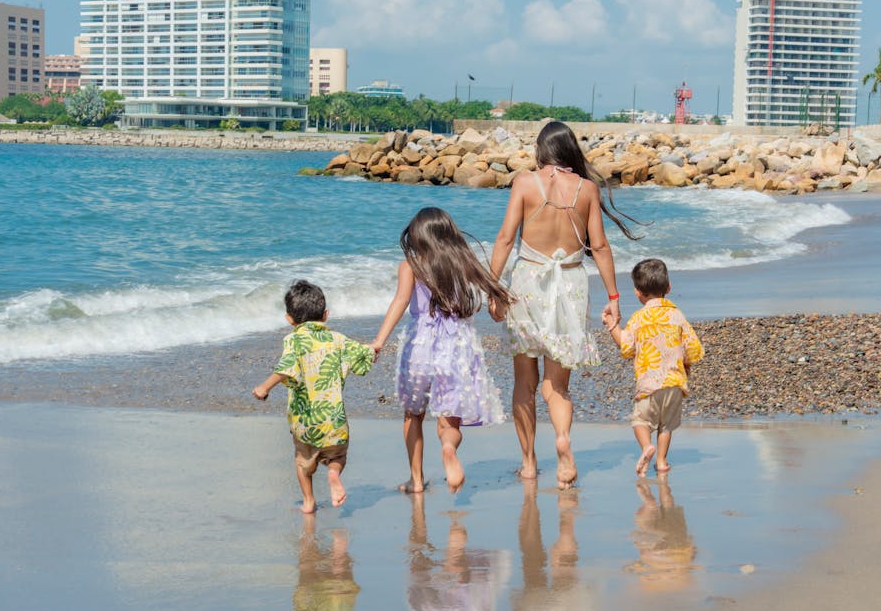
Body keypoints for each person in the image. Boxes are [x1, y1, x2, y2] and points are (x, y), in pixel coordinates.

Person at [489, 120, 642, 489]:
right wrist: (615, 298)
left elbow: (507, 239)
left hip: (529, 282)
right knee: (557, 384)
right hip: (571, 284)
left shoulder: (525, 183)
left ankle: (528, 463)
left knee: (525, 382)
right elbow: (601, 247)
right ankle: (563, 440)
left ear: (541, 151)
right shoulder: (586, 189)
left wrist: (492, 287)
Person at [372, 207, 512, 494]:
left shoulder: (410, 266)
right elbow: (493, 288)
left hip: (420, 346)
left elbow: (399, 304)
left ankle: (416, 480)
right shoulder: (463, 261)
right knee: (449, 419)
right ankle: (449, 448)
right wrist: (499, 308)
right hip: (456, 347)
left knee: (413, 414)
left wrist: (379, 341)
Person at [253, 280, 374, 513]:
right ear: (326, 315)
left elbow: (286, 367)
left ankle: (308, 501)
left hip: (305, 422)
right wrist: (374, 346)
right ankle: (333, 473)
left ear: (289, 319)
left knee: (303, 463)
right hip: (334, 421)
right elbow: (362, 355)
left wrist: (264, 387)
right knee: (338, 455)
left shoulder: (293, 340)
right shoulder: (338, 339)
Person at [602, 258, 704, 477]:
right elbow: (693, 349)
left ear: (638, 292)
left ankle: (647, 447)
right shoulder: (677, 316)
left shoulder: (639, 318)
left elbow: (627, 347)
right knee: (666, 426)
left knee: (640, 421)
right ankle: (662, 461)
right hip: (675, 383)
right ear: (668, 288)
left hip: (649, 384)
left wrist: (612, 326)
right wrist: (686, 366)